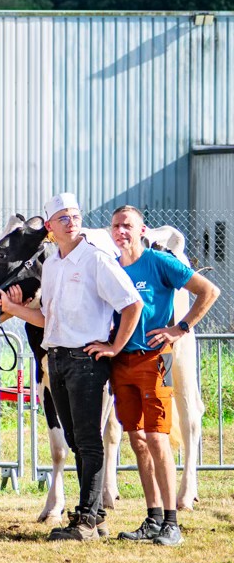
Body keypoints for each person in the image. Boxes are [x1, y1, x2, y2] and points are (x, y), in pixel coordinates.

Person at [0, 193, 144, 543]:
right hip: (57, 358)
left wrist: (114, 347)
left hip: (85, 361)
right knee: (77, 440)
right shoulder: (53, 266)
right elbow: (46, 318)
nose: (71, 222)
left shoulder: (96, 258)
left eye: (75, 216)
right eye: (63, 217)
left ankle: (87, 520)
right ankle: (95, 515)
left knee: (88, 441)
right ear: (49, 227)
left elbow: (132, 304)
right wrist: (11, 308)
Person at [108, 205, 218, 545]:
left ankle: (172, 524)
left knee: (157, 439)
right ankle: (153, 518)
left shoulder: (159, 262)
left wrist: (180, 328)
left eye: (128, 225)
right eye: (116, 225)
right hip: (122, 362)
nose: (121, 231)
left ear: (142, 230)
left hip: (155, 359)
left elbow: (209, 291)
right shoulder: (111, 267)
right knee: (137, 440)